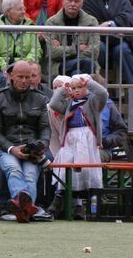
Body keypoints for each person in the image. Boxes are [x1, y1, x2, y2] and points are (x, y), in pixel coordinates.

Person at [0, 60, 52, 222]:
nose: (24, 81)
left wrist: (42, 145)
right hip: (7, 148)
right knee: (14, 169)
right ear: (11, 76)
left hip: (32, 148)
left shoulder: (40, 99)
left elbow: (45, 128)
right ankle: (30, 209)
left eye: (28, 77)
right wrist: (12, 149)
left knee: (30, 174)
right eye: (20, 77)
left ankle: (20, 210)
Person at [46, 74, 109, 219]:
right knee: (65, 166)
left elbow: (103, 93)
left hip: (87, 139)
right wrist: (64, 89)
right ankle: (60, 196)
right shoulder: (69, 104)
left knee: (86, 169)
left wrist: (89, 83)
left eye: (80, 87)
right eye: (74, 88)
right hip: (70, 139)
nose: (77, 91)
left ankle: (88, 204)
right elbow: (54, 104)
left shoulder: (93, 102)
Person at [82, 0, 133, 85]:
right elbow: (90, 22)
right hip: (99, 40)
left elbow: (128, 17)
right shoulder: (87, 1)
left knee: (123, 50)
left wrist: (110, 23)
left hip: (119, 41)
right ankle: (99, 87)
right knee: (99, 48)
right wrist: (114, 27)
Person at [0, 0, 40, 88]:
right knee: (7, 78)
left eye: (23, 8)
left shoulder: (30, 27)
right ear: (8, 11)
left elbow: (36, 51)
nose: (23, 12)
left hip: (25, 68)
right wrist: (4, 66)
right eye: (19, 9)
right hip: (0, 69)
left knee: (31, 78)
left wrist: (24, 65)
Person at [43, 0, 100, 78]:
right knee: (86, 63)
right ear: (63, 2)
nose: (73, 4)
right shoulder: (51, 22)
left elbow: (94, 52)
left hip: (83, 66)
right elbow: (53, 53)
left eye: (76, 1)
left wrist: (63, 50)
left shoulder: (92, 22)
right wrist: (76, 49)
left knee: (77, 72)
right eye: (70, 0)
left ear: (82, 3)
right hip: (59, 66)